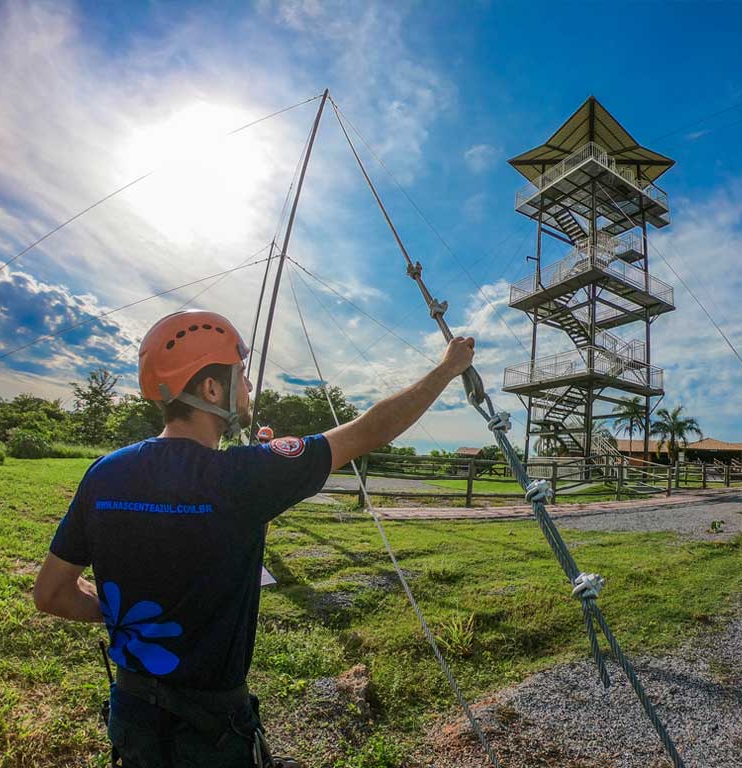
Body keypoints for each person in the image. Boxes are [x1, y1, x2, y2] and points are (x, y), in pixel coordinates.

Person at [32, 309, 476, 767]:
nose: (248, 388)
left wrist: (127, 616)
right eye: (241, 376)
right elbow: (369, 429)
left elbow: (50, 593)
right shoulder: (244, 475)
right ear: (211, 389)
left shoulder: (105, 473)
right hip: (211, 733)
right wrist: (447, 368)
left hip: (133, 718)